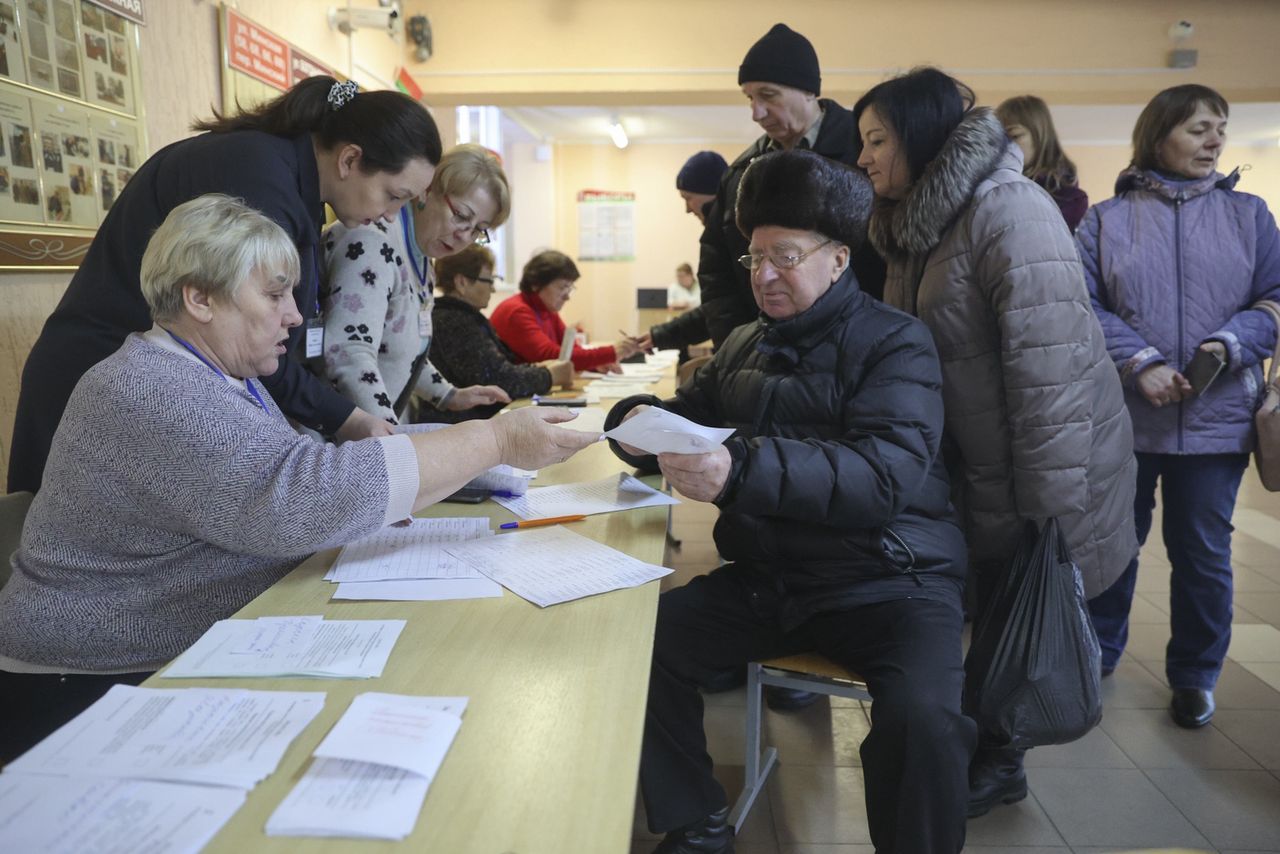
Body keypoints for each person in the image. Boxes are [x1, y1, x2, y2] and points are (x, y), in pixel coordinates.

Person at [0, 195, 598, 764]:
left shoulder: (213, 371)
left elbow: (307, 461)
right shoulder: (152, 389)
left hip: (170, 648)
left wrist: (491, 455)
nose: (294, 315)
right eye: (275, 294)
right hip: (90, 682)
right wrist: (493, 440)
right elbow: (301, 497)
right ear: (200, 298)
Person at [609, 150, 972, 854]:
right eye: (753, 259)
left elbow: (884, 475)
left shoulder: (897, 342)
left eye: (785, 256)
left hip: (890, 582)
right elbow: (688, 416)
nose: (764, 275)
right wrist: (629, 424)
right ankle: (697, 820)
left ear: (838, 259)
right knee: (637, 642)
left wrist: (737, 469)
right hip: (773, 582)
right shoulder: (744, 342)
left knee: (923, 720)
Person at [854, 67, 1136, 818]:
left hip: (1033, 467)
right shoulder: (917, 225)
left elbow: (1052, 376)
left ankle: (1001, 757)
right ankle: (987, 750)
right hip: (974, 467)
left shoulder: (1008, 210)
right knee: (985, 619)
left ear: (921, 137)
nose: (864, 159)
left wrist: (1046, 513)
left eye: (877, 140)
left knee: (1018, 617)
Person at [8, 76, 438, 495]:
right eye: (393, 195)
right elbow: (250, 338)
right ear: (349, 160)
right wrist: (347, 419)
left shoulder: (279, 172)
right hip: (98, 380)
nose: (390, 215)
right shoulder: (258, 180)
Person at [1078, 84, 1280, 730]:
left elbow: (1275, 300)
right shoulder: (1107, 219)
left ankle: (1195, 676)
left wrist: (1228, 343)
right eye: (1198, 129)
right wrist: (1141, 363)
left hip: (1217, 425)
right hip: (1127, 419)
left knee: (1202, 555)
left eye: (1220, 128)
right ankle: (1097, 655)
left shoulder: (1250, 216)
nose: (1214, 140)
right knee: (1114, 545)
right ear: (1159, 133)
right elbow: (1082, 305)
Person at [696, 23, 885, 349]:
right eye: (750, 98)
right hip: (763, 355)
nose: (757, 112)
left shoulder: (863, 154)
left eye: (768, 95)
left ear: (809, 91)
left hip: (856, 350)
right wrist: (739, 348)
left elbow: (885, 261)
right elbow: (717, 275)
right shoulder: (741, 172)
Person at [320, 144, 511, 426]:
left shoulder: (422, 257)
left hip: (367, 432)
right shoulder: (372, 241)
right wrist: (393, 438)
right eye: (460, 216)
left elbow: (402, 350)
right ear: (427, 189)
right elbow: (348, 352)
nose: (464, 236)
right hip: (332, 436)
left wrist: (448, 395)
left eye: (477, 230)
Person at [430, 243, 573, 418]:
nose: (493, 288)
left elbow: (499, 367)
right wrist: (549, 376)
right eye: (489, 280)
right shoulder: (453, 322)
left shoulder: (462, 317)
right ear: (462, 282)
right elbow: (500, 380)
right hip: (462, 428)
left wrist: (537, 368)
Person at [637, 151, 728, 358]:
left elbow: (721, 309)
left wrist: (661, 334)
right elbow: (718, 307)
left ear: (712, 192)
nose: (687, 209)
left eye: (688, 198)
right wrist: (659, 335)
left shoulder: (729, 236)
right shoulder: (722, 233)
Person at [491, 249, 641, 373]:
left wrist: (595, 365)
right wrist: (612, 352)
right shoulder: (517, 312)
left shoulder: (546, 309)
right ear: (536, 284)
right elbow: (553, 357)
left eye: (570, 288)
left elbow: (571, 350)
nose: (567, 297)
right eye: (563, 287)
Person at [995, 94, 1089, 231]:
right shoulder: (994, 189)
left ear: (1040, 135)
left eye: (1014, 136)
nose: (1004, 146)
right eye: (998, 138)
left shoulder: (1071, 200)